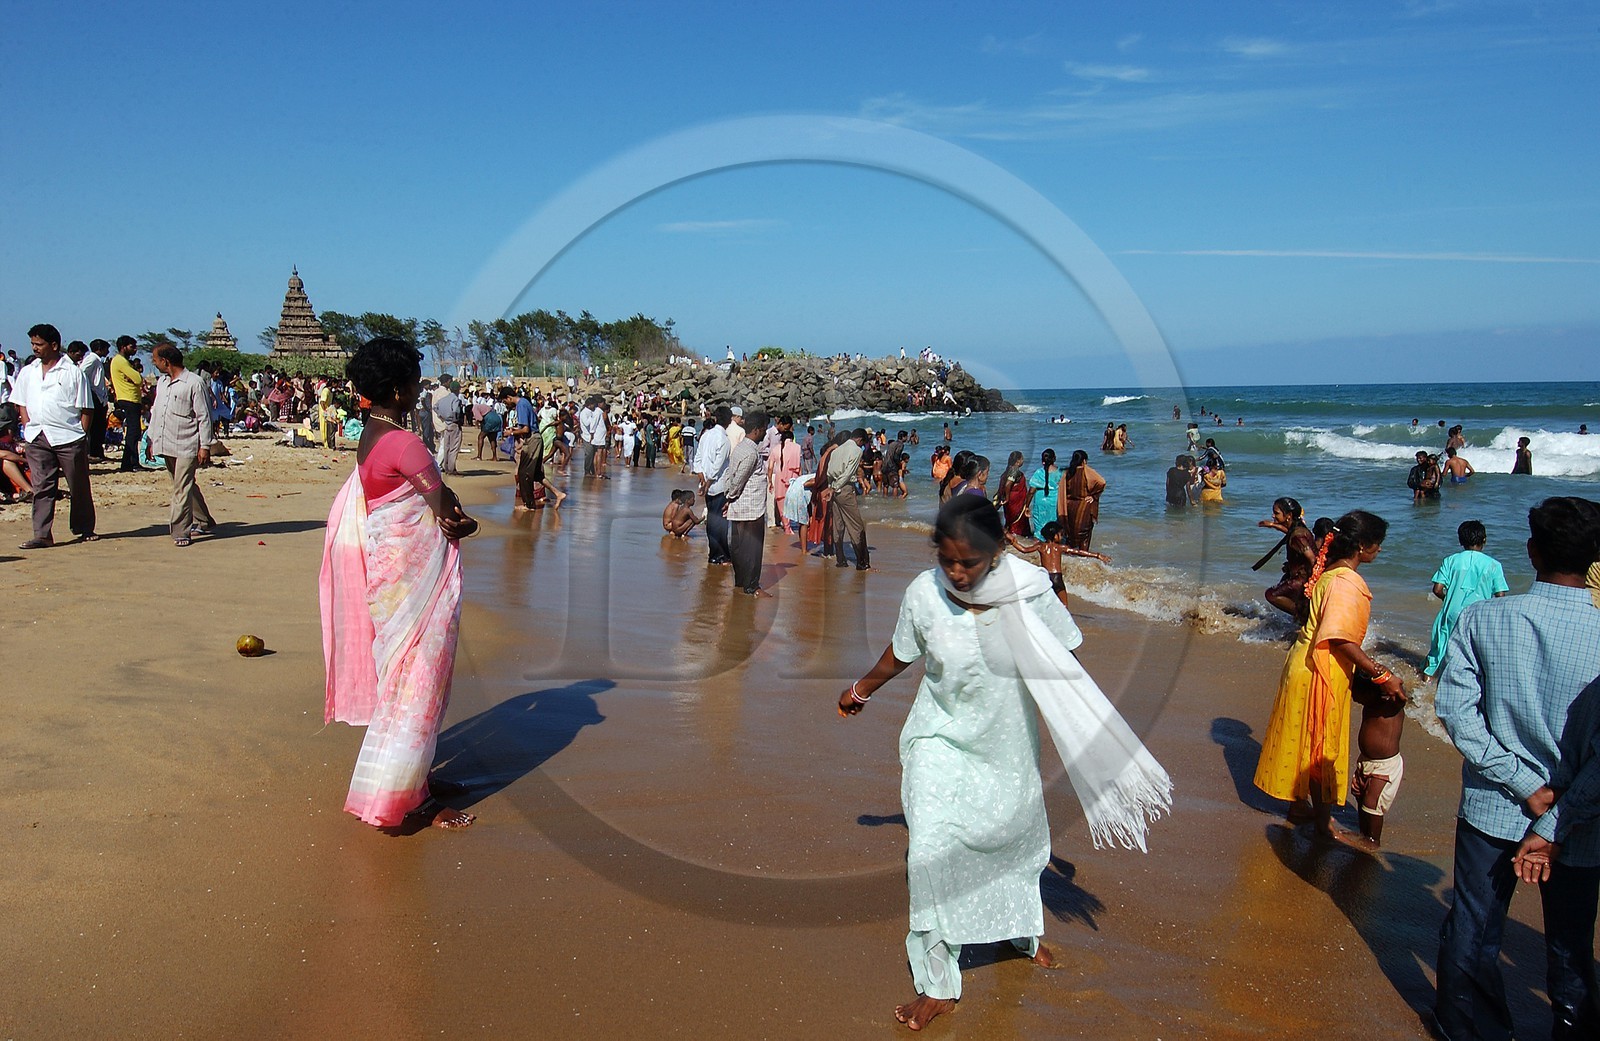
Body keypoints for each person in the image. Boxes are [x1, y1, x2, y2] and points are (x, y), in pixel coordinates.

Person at [837, 496, 1169, 1031]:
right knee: (930, 849)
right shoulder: (924, 594)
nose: (957, 572)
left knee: (1010, 843)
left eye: (970, 561)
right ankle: (938, 982)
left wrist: (1089, 731)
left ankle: (1021, 932)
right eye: (947, 560)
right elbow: (903, 653)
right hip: (937, 738)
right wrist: (861, 690)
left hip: (1006, 744)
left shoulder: (1030, 593)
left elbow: (1067, 660)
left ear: (998, 552)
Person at [1433, 497, 1600, 1041]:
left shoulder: (1483, 618)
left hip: (1493, 806)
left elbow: (1456, 712)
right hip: (1580, 816)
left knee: (1475, 926)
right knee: (1571, 943)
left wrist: (1526, 786)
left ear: (1531, 552)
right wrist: (1554, 816)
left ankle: (1468, 1029)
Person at [320, 338, 479, 831]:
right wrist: (466, 525)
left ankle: (418, 780)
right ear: (397, 388)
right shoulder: (406, 443)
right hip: (412, 585)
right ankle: (406, 799)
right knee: (418, 684)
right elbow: (445, 512)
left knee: (403, 681)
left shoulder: (370, 436)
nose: (418, 385)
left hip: (390, 580)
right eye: (413, 377)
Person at [1253, 511, 1402, 840]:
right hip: (1320, 669)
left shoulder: (1330, 573)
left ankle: (1298, 806)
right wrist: (1381, 673)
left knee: (1305, 740)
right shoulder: (1347, 582)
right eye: (1377, 545)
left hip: (1304, 663)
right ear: (1362, 546)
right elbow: (1339, 638)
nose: (1379, 550)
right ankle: (1322, 823)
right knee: (1322, 746)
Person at [13, 324, 97, 548]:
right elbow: (20, 402)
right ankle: (42, 534)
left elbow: (86, 408)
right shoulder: (28, 371)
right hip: (37, 436)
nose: (35, 348)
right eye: (32, 344)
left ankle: (84, 527)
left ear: (53, 345)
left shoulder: (72, 372)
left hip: (68, 437)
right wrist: (27, 424)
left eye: (39, 344)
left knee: (78, 484)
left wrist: (81, 434)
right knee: (42, 486)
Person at [147, 345, 216, 547]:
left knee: (181, 488)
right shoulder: (162, 383)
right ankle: (203, 519)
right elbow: (156, 412)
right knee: (184, 485)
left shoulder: (194, 383)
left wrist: (205, 446)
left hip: (187, 443)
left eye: (155, 359)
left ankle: (180, 531)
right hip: (166, 441)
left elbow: (204, 417)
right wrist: (151, 439)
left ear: (166, 361)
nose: (153, 362)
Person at [1424, 520, 1510, 678]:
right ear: (1484, 540)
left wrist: (1448, 598)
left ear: (1460, 541)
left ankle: (1424, 687)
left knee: (1438, 652)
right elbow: (1500, 597)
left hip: (1451, 613)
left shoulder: (1450, 560)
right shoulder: (1493, 565)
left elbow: (1437, 589)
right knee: (1472, 655)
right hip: (1478, 615)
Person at [1349, 667, 1407, 848]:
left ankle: (1373, 838)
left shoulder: (1391, 704)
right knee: (1360, 796)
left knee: (1372, 803)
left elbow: (1401, 694)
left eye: (1358, 694)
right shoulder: (1371, 703)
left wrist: (1384, 677)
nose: (1354, 698)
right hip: (1365, 761)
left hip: (1385, 767)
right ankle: (1363, 832)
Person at [1007, 519, 1110, 607]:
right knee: (1064, 605)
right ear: (1054, 535)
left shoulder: (1040, 546)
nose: (1061, 537)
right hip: (1057, 578)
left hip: (1046, 577)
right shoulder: (1060, 547)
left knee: (1047, 603)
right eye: (1060, 534)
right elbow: (1079, 552)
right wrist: (1097, 555)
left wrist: (1014, 542)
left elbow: (1024, 550)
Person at [725, 411, 770, 595]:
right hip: (751, 508)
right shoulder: (751, 453)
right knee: (753, 548)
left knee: (739, 547)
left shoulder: (741, 447)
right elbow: (738, 480)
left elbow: (730, 475)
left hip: (739, 507)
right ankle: (752, 586)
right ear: (757, 430)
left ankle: (741, 582)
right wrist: (730, 496)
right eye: (765, 430)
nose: (766, 434)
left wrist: (729, 498)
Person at [1258, 497, 1316, 620]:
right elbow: (1289, 532)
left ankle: (1304, 617)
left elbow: (1312, 558)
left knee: (1271, 595)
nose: (1273, 516)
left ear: (1288, 515)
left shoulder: (1298, 536)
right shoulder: (1298, 529)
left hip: (1302, 578)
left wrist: (1315, 582)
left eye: (1276, 513)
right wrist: (1273, 525)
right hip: (1298, 575)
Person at [827, 428, 871, 570]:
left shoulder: (836, 450)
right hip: (844, 488)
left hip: (833, 487)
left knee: (838, 525)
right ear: (860, 440)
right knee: (856, 525)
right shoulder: (856, 451)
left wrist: (831, 487)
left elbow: (829, 472)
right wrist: (837, 487)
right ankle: (862, 562)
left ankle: (840, 559)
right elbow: (848, 473)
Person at [697, 405, 733, 566]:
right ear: (729, 422)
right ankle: (720, 555)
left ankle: (714, 553)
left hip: (706, 484)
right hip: (718, 486)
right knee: (719, 521)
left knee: (712, 519)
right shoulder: (724, 440)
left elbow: (697, 461)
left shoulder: (706, 435)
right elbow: (717, 467)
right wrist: (708, 482)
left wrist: (703, 481)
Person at [1057, 450, 1106, 551]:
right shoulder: (1086, 471)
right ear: (1084, 461)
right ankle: (1083, 561)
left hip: (1069, 508)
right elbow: (1102, 482)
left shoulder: (1068, 472)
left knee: (1070, 536)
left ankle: (1071, 560)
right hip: (1083, 508)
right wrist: (1094, 495)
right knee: (1084, 538)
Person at [109, 335, 145, 472]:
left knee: (134, 433)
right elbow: (138, 378)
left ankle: (131, 462)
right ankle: (129, 463)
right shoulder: (120, 361)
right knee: (133, 433)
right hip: (128, 399)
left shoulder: (123, 361)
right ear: (123, 347)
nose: (135, 349)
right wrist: (135, 377)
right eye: (132, 346)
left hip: (131, 399)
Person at [770, 425, 803, 535]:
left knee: (781, 504)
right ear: (792, 438)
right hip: (794, 478)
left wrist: (770, 481)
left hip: (779, 479)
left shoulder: (775, 449)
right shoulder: (797, 447)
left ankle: (787, 528)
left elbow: (770, 468)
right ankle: (800, 525)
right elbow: (800, 466)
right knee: (795, 503)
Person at [431, 378, 463, 475]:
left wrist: (441, 415)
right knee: (454, 447)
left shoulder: (444, 399)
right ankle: (451, 469)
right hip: (454, 424)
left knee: (446, 447)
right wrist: (454, 418)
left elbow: (435, 407)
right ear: (458, 390)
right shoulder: (456, 399)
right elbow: (456, 411)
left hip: (446, 424)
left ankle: (447, 467)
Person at [994, 450, 1031, 535]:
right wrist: (1007, 498)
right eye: (1022, 459)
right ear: (1018, 461)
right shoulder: (1014, 471)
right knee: (1017, 521)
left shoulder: (1007, 471)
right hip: (1014, 501)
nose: (1023, 461)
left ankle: (1010, 534)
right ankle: (1016, 536)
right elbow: (1007, 485)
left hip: (1011, 500)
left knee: (1010, 519)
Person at [1025, 449, 1058, 537]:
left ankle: (1040, 548)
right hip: (1055, 504)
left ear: (1042, 461)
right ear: (1054, 458)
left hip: (1041, 504)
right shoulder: (1060, 473)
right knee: (1054, 528)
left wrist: (1026, 506)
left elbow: (1031, 492)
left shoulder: (1038, 473)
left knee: (1039, 529)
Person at [578, 395, 606, 477]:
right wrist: (592, 418)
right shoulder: (584, 413)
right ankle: (587, 471)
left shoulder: (592, 412)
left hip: (590, 436)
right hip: (587, 436)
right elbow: (587, 423)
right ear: (589, 405)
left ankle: (592, 470)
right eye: (594, 404)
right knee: (589, 454)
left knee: (593, 454)